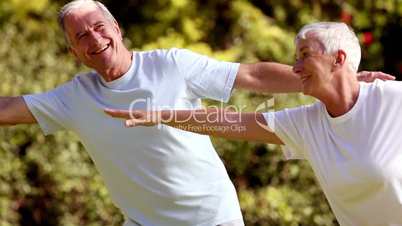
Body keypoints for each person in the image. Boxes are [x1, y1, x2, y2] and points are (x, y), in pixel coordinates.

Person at [0, 0, 393, 224]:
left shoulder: (171, 64)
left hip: (211, 218)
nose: (94, 39)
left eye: (99, 27)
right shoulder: (75, 96)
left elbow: (252, 76)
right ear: (73, 52)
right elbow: (10, 109)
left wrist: (344, 76)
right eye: (80, 36)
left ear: (117, 28)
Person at [105, 22, 402, 226]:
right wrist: (162, 115)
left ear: (338, 59)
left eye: (305, 56)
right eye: (294, 58)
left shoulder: (391, 99)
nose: (295, 68)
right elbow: (230, 122)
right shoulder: (307, 124)